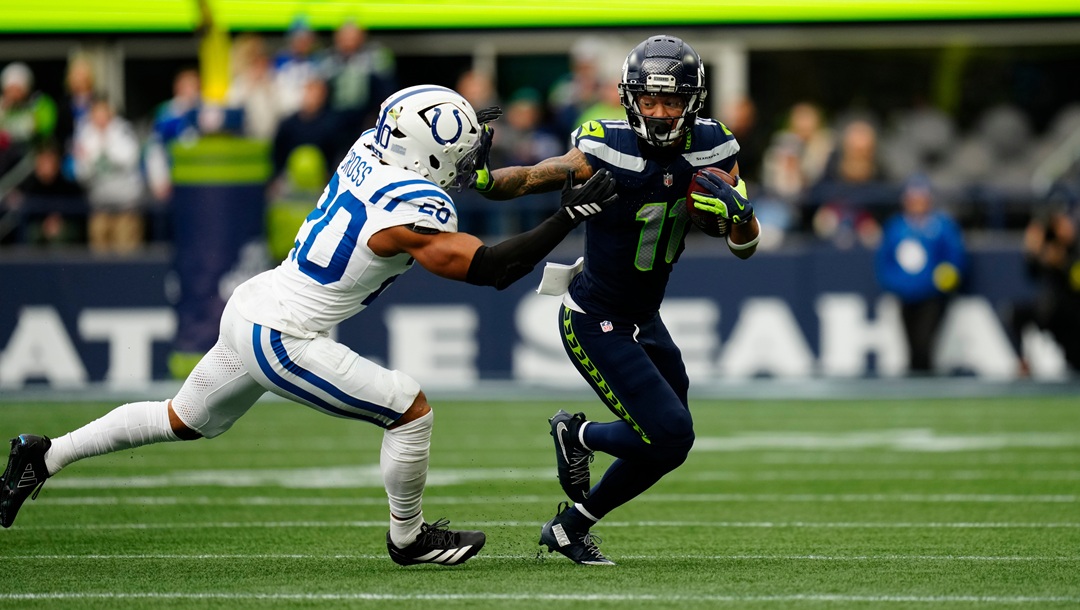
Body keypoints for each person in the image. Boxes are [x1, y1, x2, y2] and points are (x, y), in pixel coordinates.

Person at [0, 85, 618, 567]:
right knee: (411, 410)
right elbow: (491, 270)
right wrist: (567, 217)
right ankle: (409, 539)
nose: (474, 155)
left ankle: (44, 456)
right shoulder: (413, 204)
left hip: (255, 302)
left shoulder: (370, 151)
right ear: (430, 153)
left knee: (182, 419)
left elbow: (471, 178)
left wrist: (552, 173)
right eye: (463, 147)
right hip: (283, 334)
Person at [478, 35, 760, 565]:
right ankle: (576, 432)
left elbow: (744, 247)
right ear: (629, 99)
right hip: (595, 317)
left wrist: (739, 215)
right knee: (670, 434)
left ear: (692, 102)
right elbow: (529, 179)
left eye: (670, 101)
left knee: (667, 440)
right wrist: (479, 175)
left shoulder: (716, 148)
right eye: (648, 101)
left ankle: (570, 527)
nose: (658, 112)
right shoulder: (605, 148)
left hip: (643, 319)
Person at [875, 175, 967, 373]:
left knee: (924, 343)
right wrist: (896, 285)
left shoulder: (942, 225)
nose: (917, 203)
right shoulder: (896, 226)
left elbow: (954, 258)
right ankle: (915, 384)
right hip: (905, 295)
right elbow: (885, 261)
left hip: (932, 296)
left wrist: (939, 283)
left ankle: (925, 383)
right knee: (910, 345)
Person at [72, 96, 147, 253]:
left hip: (126, 206)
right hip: (99, 206)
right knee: (99, 257)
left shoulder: (124, 130)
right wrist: (94, 157)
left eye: (103, 112)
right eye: (96, 112)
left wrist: (101, 149)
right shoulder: (84, 135)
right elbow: (81, 173)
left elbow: (129, 159)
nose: (100, 117)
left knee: (126, 255)